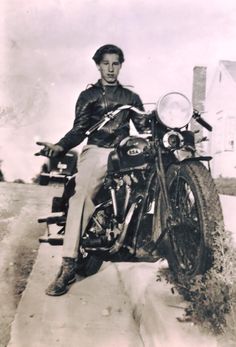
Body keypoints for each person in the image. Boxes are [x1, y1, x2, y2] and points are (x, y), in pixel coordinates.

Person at [40, 44, 147, 296]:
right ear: (98, 66)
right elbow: (79, 130)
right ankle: (68, 264)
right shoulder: (88, 97)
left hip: (124, 151)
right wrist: (59, 146)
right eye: (106, 63)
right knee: (82, 196)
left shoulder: (131, 98)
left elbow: (144, 126)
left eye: (116, 63)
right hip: (98, 150)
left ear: (121, 65)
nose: (111, 68)